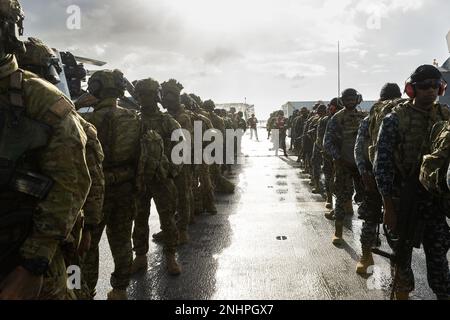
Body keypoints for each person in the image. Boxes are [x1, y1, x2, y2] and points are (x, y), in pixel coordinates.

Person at [0, 0, 91, 300]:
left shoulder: (38, 100)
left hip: (22, 261)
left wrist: (32, 265)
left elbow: (71, 184)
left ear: (8, 30)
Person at [374, 65, 449, 300]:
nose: (429, 91)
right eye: (423, 86)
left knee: (439, 262)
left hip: (435, 202)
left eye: (434, 86)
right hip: (403, 198)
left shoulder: (446, 116)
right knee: (402, 258)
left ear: (441, 88)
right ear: (411, 89)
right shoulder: (394, 119)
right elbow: (382, 165)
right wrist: (388, 205)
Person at [131, 78, 182, 276]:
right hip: (141, 180)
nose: (146, 99)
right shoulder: (133, 121)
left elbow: (181, 148)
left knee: (168, 219)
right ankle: (140, 257)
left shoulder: (168, 121)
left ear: (157, 96)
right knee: (140, 219)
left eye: (150, 95)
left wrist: (171, 171)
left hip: (162, 180)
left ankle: (170, 256)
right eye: (142, 95)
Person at [354, 83, 402, 274]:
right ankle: (397, 267)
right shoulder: (402, 115)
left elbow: (359, 148)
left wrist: (364, 173)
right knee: (396, 225)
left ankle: (366, 258)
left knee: (370, 218)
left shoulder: (370, 118)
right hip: (397, 179)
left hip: (374, 177)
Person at [324, 88, 365, 245]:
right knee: (341, 198)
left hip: (361, 166)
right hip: (344, 165)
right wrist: (339, 158)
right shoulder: (336, 119)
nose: (350, 102)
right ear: (342, 101)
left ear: (357, 99)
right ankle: (338, 231)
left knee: (366, 199)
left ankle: (367, 239)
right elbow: (327, 143)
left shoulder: (363, 117)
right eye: (347, 99)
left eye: (352, 99)